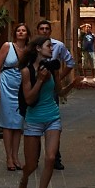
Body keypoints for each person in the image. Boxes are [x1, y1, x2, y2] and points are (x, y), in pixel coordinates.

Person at [18, 35, 63, 188]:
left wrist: (73, 85)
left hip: (53, 116)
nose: (52, 49)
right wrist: (40, 81)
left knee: (51, 158)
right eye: (48, 46)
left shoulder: (52, 68)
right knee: (31, 165)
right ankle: (24, 178)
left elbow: (59, 91)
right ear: (38, 48)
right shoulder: (27, 71)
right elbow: (29, 99)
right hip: (33, 120)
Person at [35, 19, 74, 169]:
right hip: (36, 87)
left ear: (50, 31)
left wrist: (59, 78)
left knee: (53, 122)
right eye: (42, 28)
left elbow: (70, 63)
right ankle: (35, 157)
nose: (44, 31)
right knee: (35, 123)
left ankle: (55, 157)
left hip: (51, 89)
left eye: (47, 29)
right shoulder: (33, 47)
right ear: (38, 30)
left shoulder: (59, 46)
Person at [0, 22, 30, 171]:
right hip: (6, 85)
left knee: (18, 124)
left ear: (27, 34)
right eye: (18, 30)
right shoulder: (7, 46)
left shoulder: (28, 49)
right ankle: (8, 157)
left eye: (24, 31)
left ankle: (16, 156)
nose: (21, 33)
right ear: (15, 33)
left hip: (20, 87)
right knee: (8, 123)